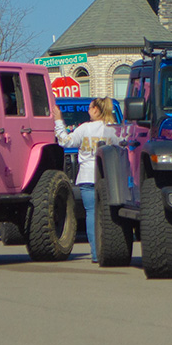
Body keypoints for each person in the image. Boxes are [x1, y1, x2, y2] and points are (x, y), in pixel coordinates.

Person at [52, 97, 118, 263]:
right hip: (108, 178)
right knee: (109, 215)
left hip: (87, 177)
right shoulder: (114, 130)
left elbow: (65, 142)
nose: (88, 111)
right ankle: (110, 250)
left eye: (90, 108)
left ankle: (95, 252)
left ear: (96, 110)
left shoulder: (85, 129)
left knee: (91, 213)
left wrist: (59, 121)